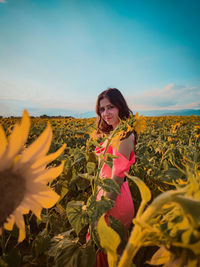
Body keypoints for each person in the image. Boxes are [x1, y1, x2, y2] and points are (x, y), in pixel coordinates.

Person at [94, 88, 136, 267]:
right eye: (102, 109)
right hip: (104, 196)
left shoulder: (125, 136)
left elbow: (116, 179)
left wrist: (100, 212)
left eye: (110, 107)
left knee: (111, 255)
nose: (106, 113)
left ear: (120, 107)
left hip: (114, 200)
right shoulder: (113, 133)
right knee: (103, 252)